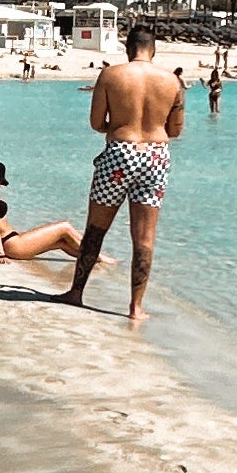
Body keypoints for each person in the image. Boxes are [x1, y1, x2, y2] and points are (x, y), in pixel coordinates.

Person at [61, 23, 184, 325]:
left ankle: (76, 292)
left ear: (128, 49)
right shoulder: (172, 82)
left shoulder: (111, 74)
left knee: (96, 229)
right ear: (153, 50)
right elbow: (175, 131)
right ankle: (135, 307)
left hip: (119, 152)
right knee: (144, 238)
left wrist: (116, 128)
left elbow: (95, 122)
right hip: (156, 156)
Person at [0, 157, 80, 274]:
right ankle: (94, 252)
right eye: (0, 181)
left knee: (62, 244)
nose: (0, 186)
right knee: (65, 227)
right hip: (11, 245)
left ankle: (97, 260)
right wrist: (0, 255)